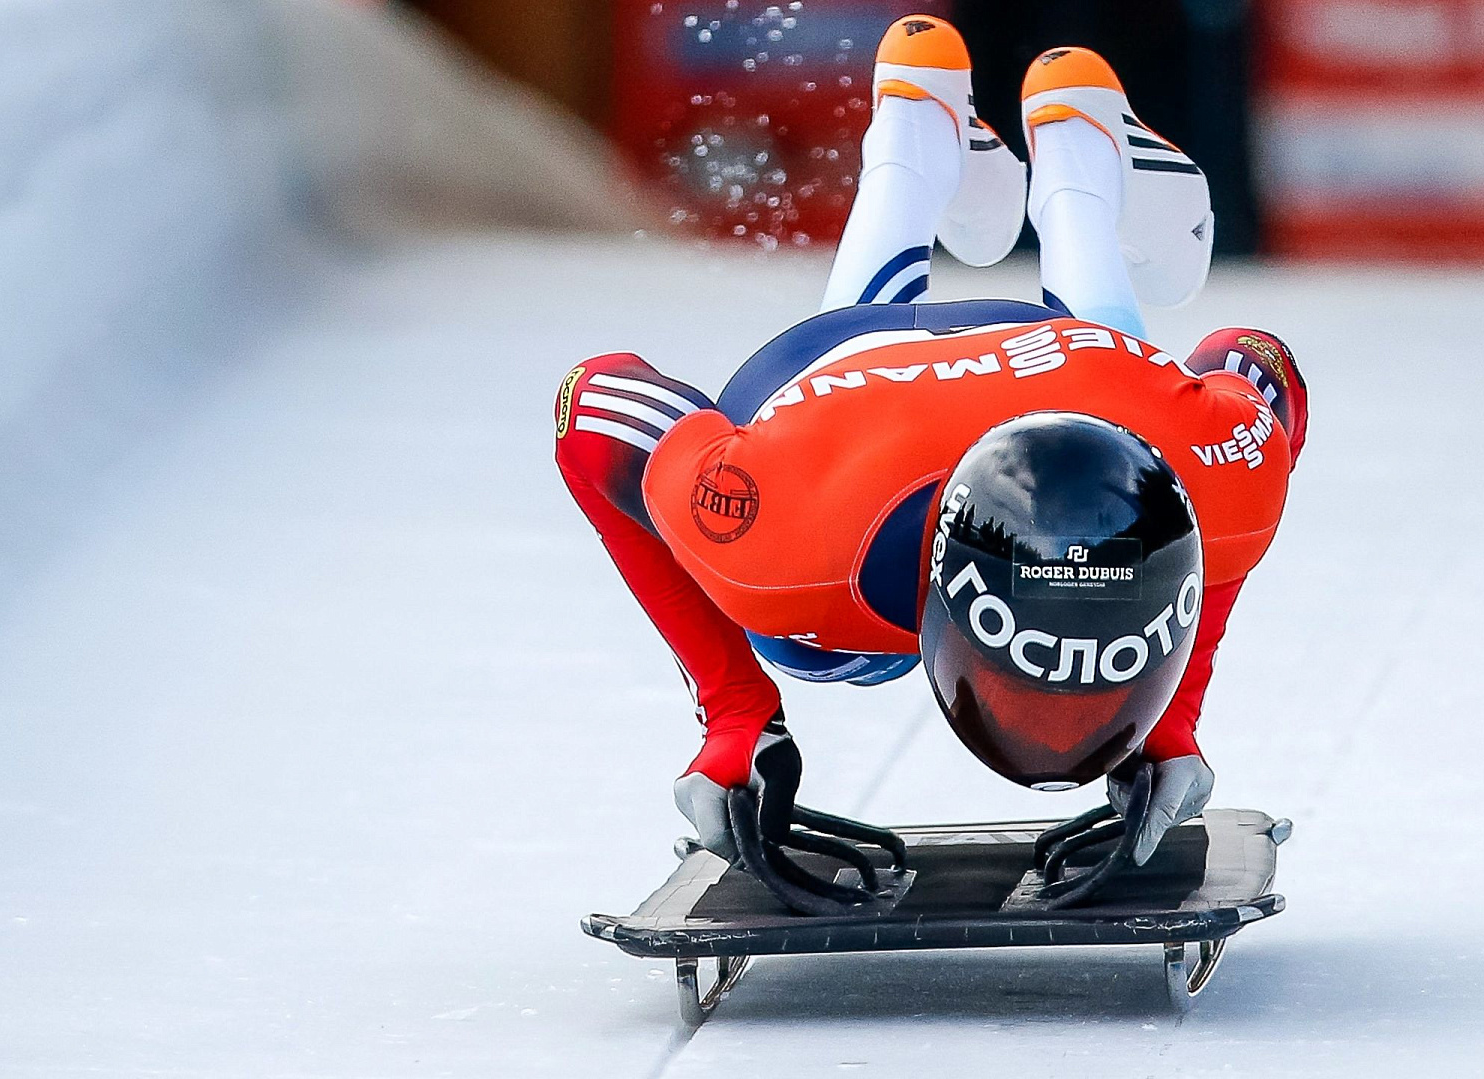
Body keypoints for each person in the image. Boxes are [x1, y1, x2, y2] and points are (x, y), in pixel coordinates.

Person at [554, 15, 1306, 877]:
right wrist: (734, 707)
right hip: (873, 409)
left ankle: (1002, 141)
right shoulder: (782, 545)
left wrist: (740, 719)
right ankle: (1036, 153)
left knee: (1118, 375)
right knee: (814, 645)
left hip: (1065, 380)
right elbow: (1258, 364)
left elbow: (596, 400)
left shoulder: (1220, 480)